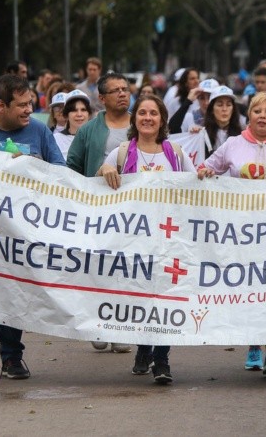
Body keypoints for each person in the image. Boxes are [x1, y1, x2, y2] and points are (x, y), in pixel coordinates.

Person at [0, 74, 65, 385]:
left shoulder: (40, 131)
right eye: (22, 105)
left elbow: (60, 172)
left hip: (25, 231)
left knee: (17, 290)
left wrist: (29, 165)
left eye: (30, 102)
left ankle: (13, 356)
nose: (30, 109)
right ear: (1, 106)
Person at [197, 91, 266, 376]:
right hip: (238, 232)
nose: (263, 116)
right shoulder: (232, 144)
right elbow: (206, 167)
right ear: (248, 115)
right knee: (247, 288)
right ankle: (254, 345)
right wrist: (206, 172)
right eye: (257, 111)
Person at [95, 95, 195, 384]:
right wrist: (106, 168)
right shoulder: (122, 152)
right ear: (134, 118)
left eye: (153, 113)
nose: (147, 117)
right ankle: (143, 348)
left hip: (169, 238)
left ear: (162, 119)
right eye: (142, 112)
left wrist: (203, 174)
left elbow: (196, 187)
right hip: (134, 241)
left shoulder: (175, 153)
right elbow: (96, 183)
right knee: (140, 295)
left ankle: (161, 360)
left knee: (165, 298)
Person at [66, 72, 135, 354]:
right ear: (102, 98)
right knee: (98, 270)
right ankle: (98, 324)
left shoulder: (143, 124)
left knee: (127, 270)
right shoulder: (88, 131)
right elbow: (72, 168)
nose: (123, 93)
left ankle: (121, 328)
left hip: (134, 214)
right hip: (97, 214)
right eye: (116, 90)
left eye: (126, 88)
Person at [199, 85, 243, 158]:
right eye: (220, 105)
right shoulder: (203, 134)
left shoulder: (241, 136)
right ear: (212, 109)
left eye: (228, 105)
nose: (224, 109)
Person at [53, 90, 92, 160]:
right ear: (66, 115)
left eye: (83, 110)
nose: (79, 114)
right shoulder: (55, 139)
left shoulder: (97, 138)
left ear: (89, 114)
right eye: (74, 110)